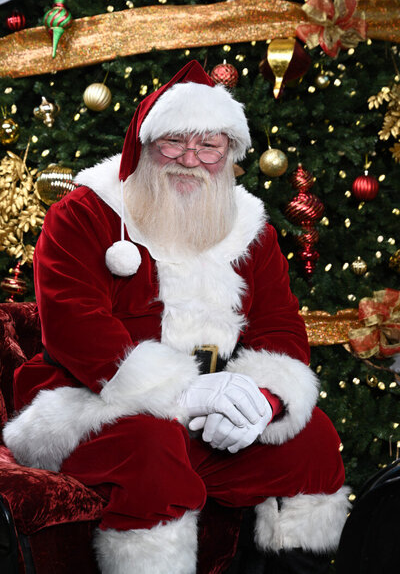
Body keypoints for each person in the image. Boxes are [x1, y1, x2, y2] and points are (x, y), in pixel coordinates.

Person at [4, 61, 349, 574]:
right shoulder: (82, 214)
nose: (190, 159)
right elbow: (76, 327)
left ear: (229, 155)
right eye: (173, 143)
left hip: (214, 406)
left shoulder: (252, 229)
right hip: (89, 403)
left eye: (208, 147)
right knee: (154, 446)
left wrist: (263, 398)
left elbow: (279, 328)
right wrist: (182, 393)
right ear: (143, 146)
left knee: (313, 439)